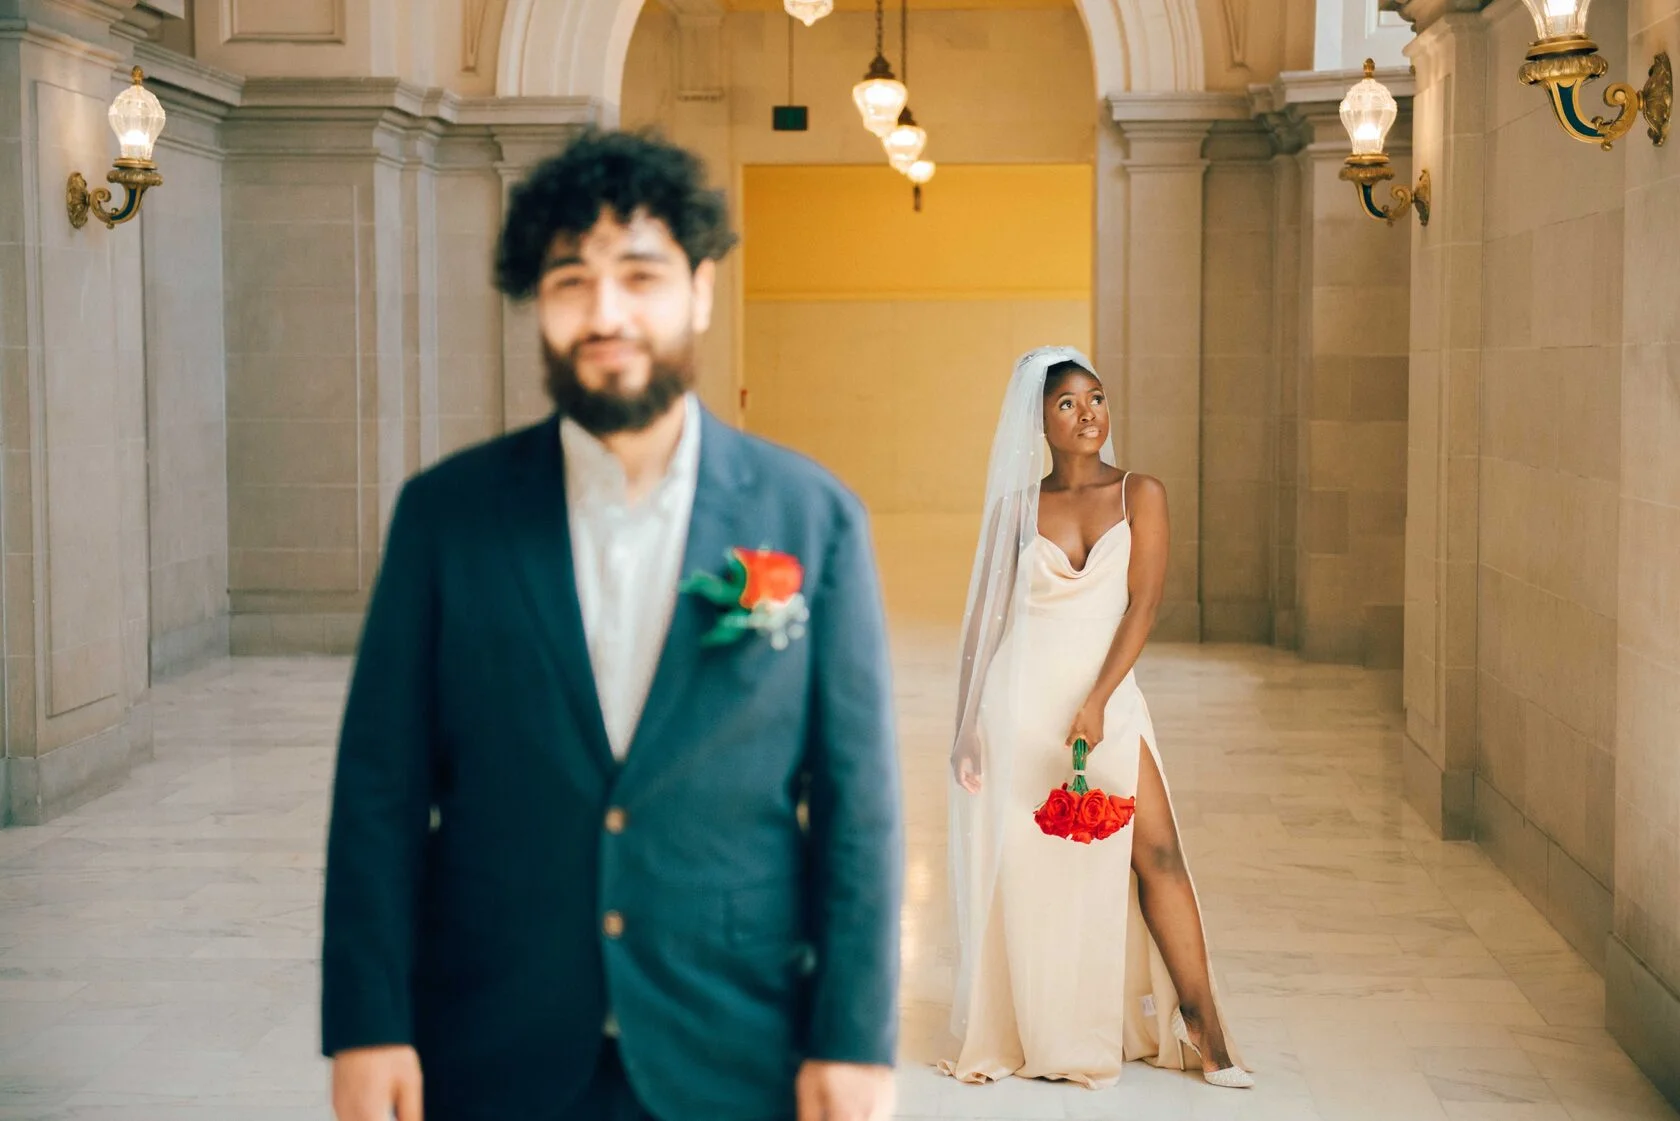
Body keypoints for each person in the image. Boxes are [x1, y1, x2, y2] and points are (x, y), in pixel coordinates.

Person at [319, 129, 903, 1121]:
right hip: (492, 1040)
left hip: (737, 1042)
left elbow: (859, 803)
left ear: (700, 288)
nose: (606, 313)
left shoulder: (812, 516)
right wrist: (369, 1021)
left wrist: (853, 1038)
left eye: (640, 274)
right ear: (536, 304)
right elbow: (380, 787)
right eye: (569, 280)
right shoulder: (447, 516)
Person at [938, 346, 1251, 1090]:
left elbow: (1142, 604)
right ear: (1039, 422)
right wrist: (964, 726)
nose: (1089, 416)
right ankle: (1046, 1024)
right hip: (1022, 701)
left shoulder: (1141, 493)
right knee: (1036, 868)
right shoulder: (1015, 509)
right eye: (1068, 405)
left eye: (1098, 399)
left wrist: (1099, 700)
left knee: (1159, 855)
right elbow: (983, 622)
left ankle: (1207, 1030)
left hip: (1106, 698)